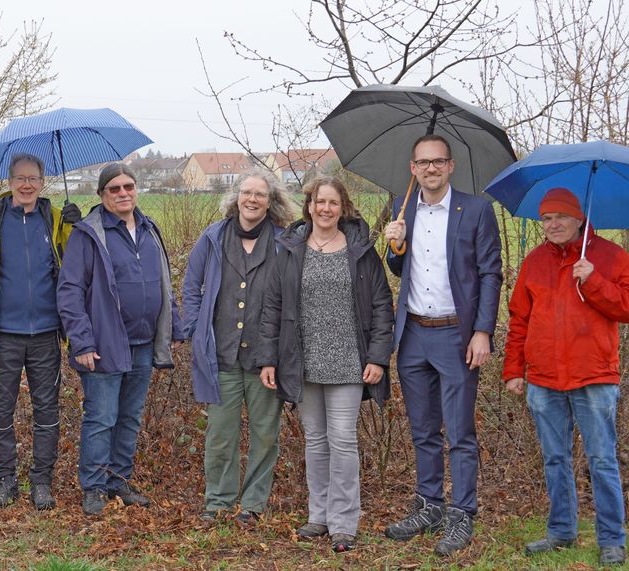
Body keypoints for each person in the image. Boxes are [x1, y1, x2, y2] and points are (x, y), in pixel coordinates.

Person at [257, 176, 394, 553]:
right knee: (315, 441)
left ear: (343, 207)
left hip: (350, 362)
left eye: (333, 203)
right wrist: (268, 358)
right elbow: (272, 308)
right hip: (302, 360)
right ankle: (318, 515)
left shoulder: (360, 251)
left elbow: (382, 306)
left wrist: (378, 357)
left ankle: (345, 522)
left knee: (343, 440)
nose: (326, 209)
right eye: (320, 202)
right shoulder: (290, 249)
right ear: (310, 205)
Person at [382, 134, 503, 555]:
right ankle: (430, 505)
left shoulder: (476, 209)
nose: (430, 169)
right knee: (423, 430)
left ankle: (462, 513)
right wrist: (394, 244)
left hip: (457, 335)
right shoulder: (402, 206)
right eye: (422, 163)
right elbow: (399, 267)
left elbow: (491, 273)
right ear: (412, 168)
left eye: (438, 162)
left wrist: (483, 331)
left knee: (460, 432)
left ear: (450, 166)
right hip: (413, 333)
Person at [503, 187, 629, 566]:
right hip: (543, 378)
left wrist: (592, 281)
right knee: (555, 458)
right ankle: (561, 530)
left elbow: (625, 308)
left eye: (560, 216)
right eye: (546, 218)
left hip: (594, 375)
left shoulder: (609, 256)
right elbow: (519, 319)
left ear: (579, 218)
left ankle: (611, 538)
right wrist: (513, 370)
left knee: (602, 458)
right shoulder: (534, 261)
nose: (553, 224)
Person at [56, 162, 184, 516]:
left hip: (143, 343)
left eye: (129, 186)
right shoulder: (88, 235)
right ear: (101, 195)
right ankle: (94, 486)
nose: (124, 193)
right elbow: (69, 293)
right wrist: (81, 342)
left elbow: (163, 282)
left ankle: (118, 481)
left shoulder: (148, 228)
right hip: (104, 345)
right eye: (115, 188)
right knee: (102, 417)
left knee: (129, 417)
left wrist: (172, 325)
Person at [0, 153, 80, 511]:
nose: (27, 185)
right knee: (0, 410)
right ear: (9, 183)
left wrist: (76, 227)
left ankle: (41, 482)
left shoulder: (54, 219)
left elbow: (76, 270)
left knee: (47, 410)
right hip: (3, 335)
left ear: (43, 183)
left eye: (33, 179)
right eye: (20, 179)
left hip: (46, 333)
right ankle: (5, 481)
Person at [182, 170, 298, 525]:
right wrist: (192, 329)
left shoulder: (284, 242)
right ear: (236, 197)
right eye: (246, 192)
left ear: (271, 201)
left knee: (265, 435)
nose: (252, 199)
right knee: (220, 434)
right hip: (222, 356)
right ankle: (218, 501)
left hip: (266, 359)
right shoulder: (213, 237)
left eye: (260, 194)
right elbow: (191, 286)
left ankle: (252, 505)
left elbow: (292, 298)